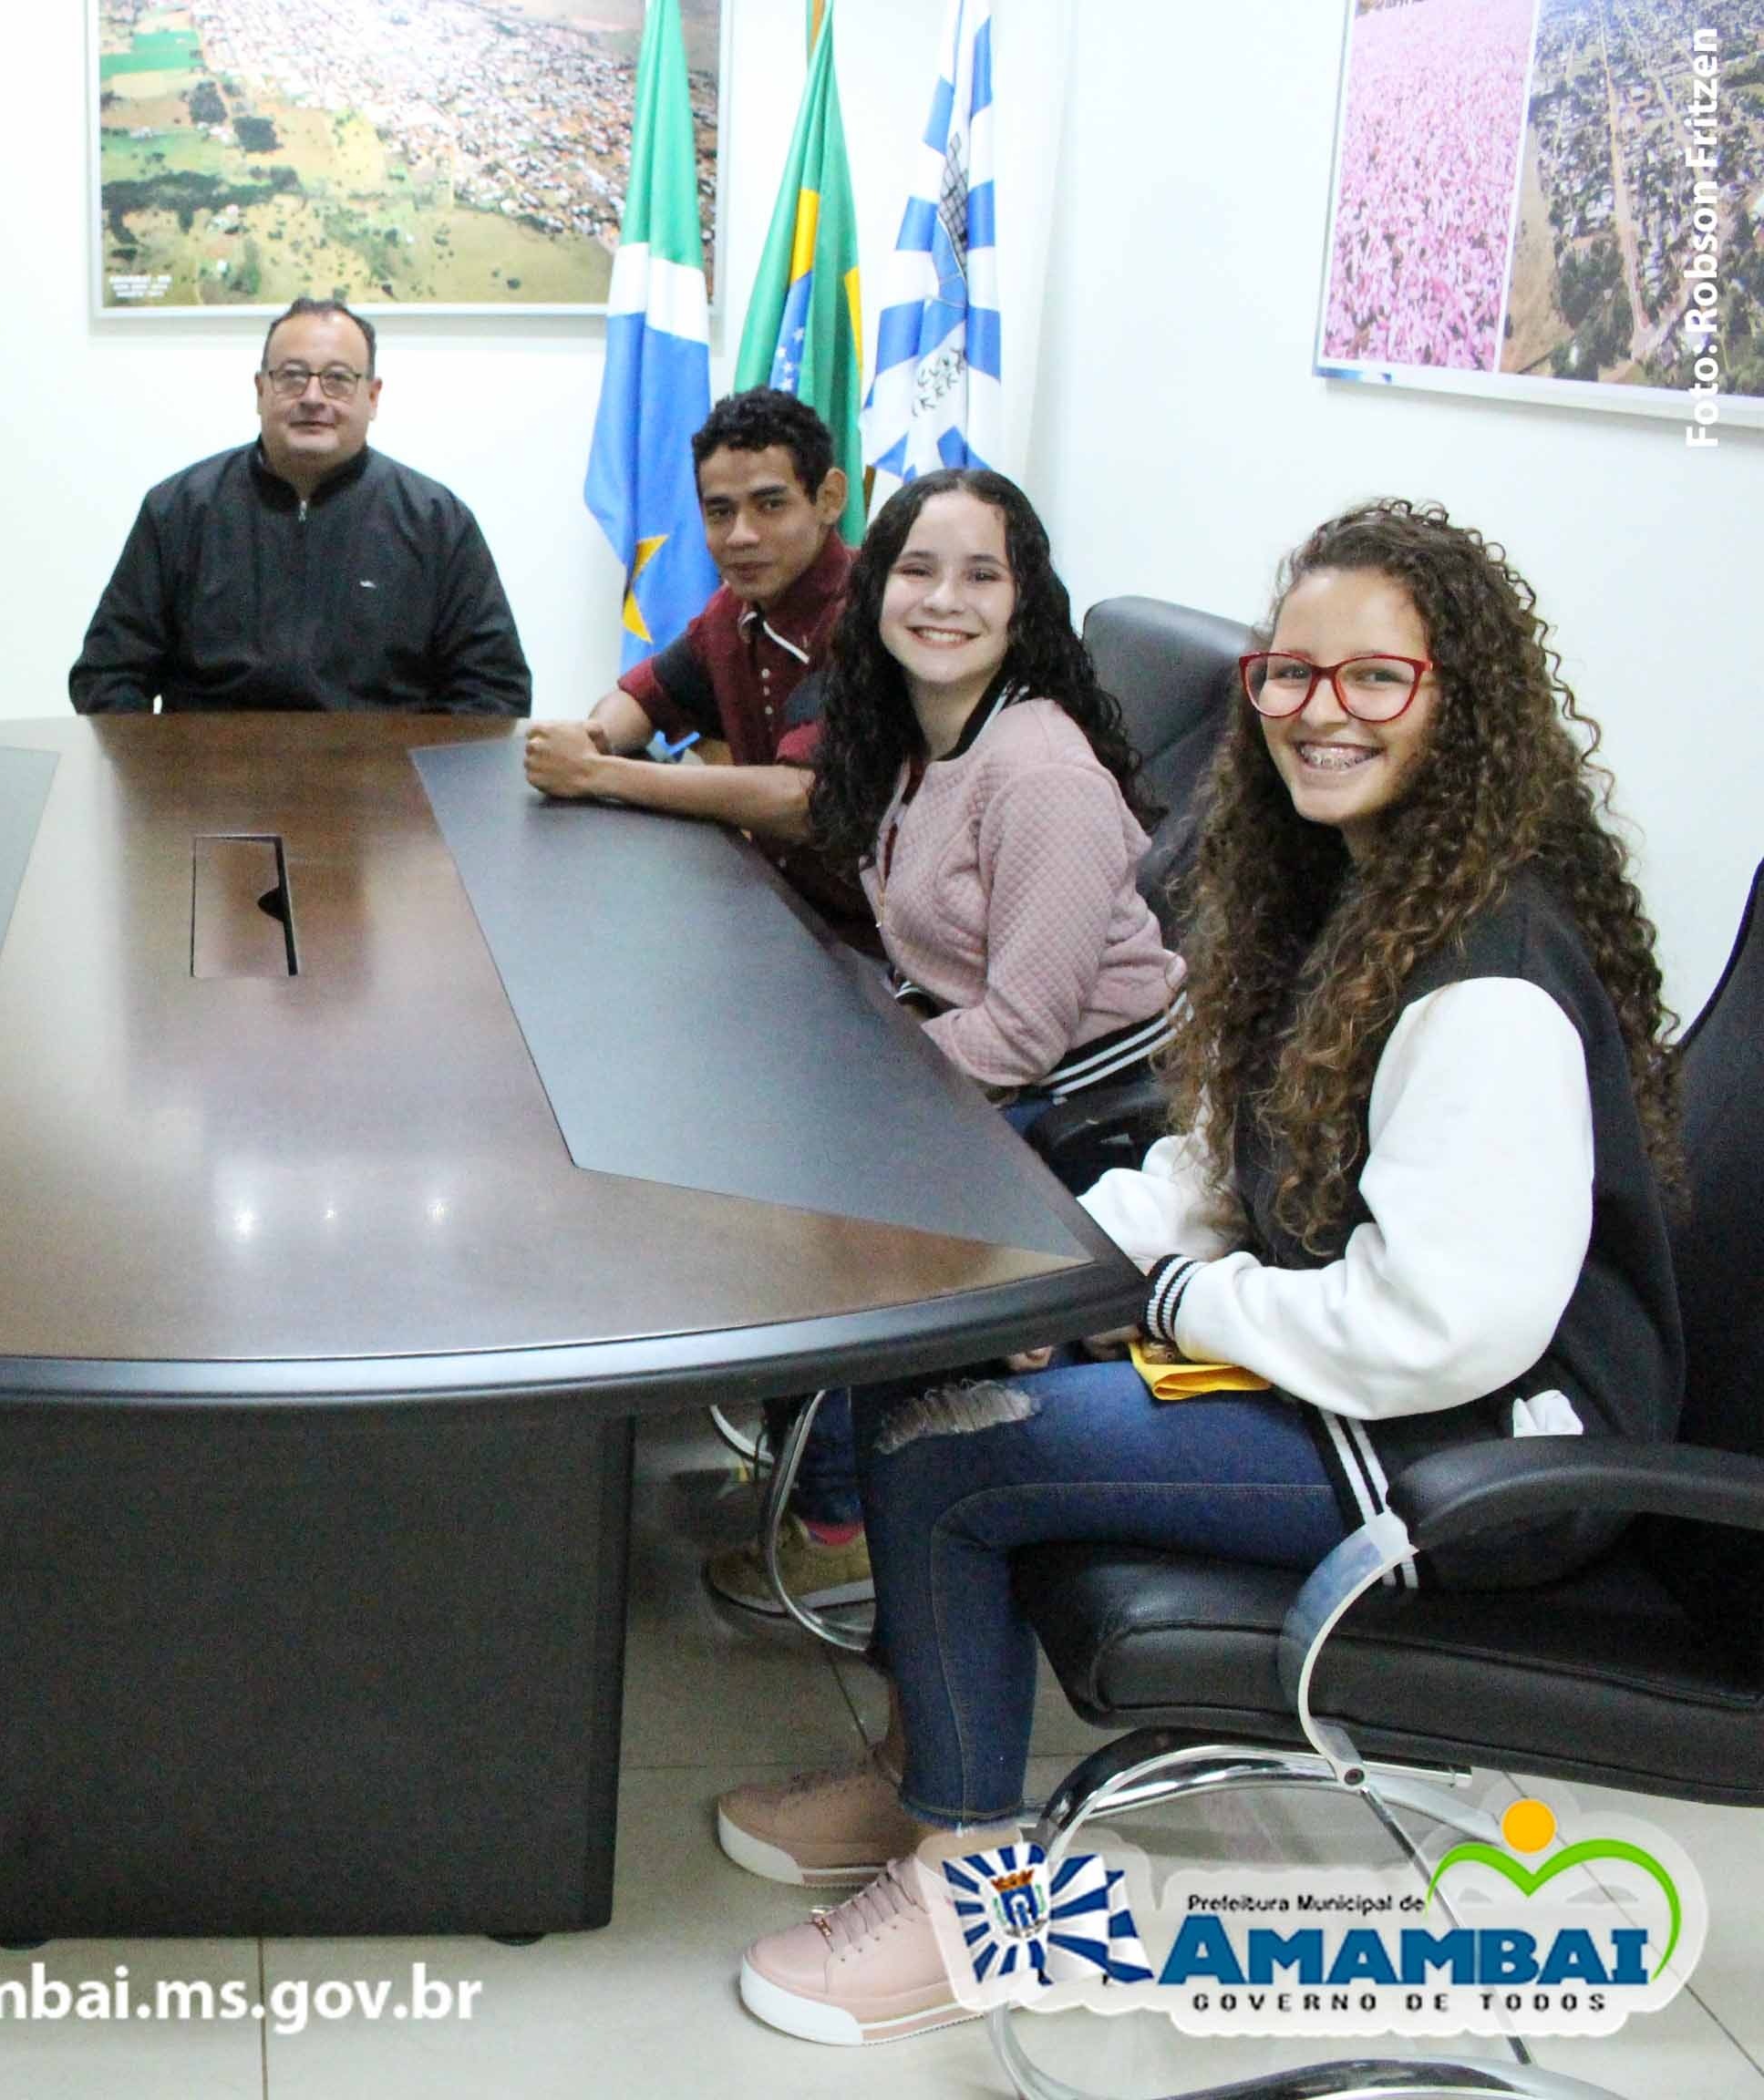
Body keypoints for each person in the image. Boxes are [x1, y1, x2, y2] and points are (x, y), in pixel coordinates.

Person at [713, 499, 1685, 2047]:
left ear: (1460, 698)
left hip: (1478, 1454)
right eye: (1288, 675)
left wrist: (1158, 1305)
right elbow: (1219, 1163)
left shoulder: (1482, 975)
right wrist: (1068, 1269)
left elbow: (1437, 1326)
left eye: (1375, 678)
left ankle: (971, 1880)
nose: (1319, 711)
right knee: (936, 1360)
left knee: (947, 1442)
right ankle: (921, 1770)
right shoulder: (1343, 898)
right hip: (1369, 1386)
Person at [696, 468, 1181, 1626]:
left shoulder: (1041, 771)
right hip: (991, 1065)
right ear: (875, 590)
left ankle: (842, 1519)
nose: (942, 599)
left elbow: (1020, 1033)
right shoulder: (917, 737)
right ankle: (816, 1459)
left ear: (1026, 604)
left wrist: (845, 1096)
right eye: (916, 569)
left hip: (1083, 1112)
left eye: (982, 574)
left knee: (806, 1190)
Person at [69, 297, 531, 716]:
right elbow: (107, 676)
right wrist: (160, 781)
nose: (313, 398)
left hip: (385, 796)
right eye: (292, 376)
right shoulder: (180, 510)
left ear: (372, 398)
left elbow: (494, 690)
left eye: (337, 380)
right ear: (260, 390)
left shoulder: (436, 521)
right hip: (210, 794)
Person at [521, 387, 868, 936]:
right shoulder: (734, 608)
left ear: (829, 498)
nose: (741, 536)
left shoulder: (871, 612)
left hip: (875, 950)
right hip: (783, 915)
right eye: (720, 512)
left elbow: (801, 801)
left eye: (771, 504)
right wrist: (595, 737)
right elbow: (644, 697)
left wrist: (594, 772)